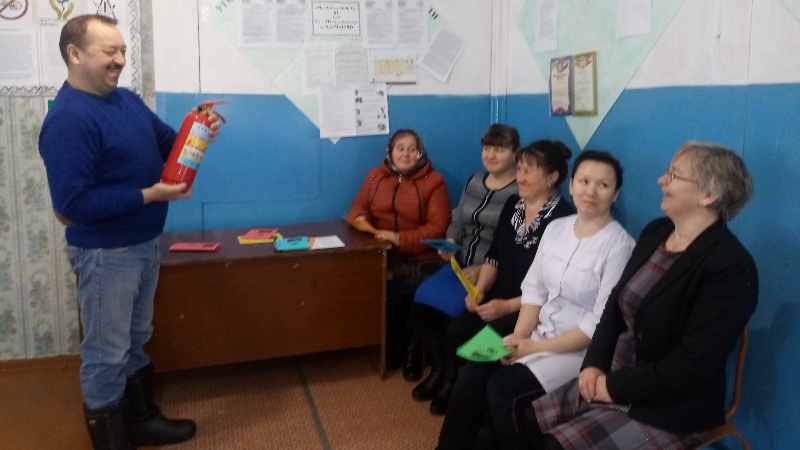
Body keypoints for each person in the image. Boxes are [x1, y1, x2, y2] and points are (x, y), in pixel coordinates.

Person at [38, 14, 221, 450]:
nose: (121, 59)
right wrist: (149, 195)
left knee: (136, 340)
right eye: (110, 51)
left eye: (122, 50)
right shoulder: (68, 119)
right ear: (74, 54)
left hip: (143, 244)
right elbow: (73, 205)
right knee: (106, 353)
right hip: (105, 255)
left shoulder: (126, 101)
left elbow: (169, 145)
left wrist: (200, 132)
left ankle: (141, 421)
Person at [525, 141, 758, 450]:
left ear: (708, 195)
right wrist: (593, 364)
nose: (662, 180)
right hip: (618, 373)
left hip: (671, 406)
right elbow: (614, 306)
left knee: (556, 445)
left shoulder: (730, 268)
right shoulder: (657, 231)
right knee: (527, 420)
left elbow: (690, 368)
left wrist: (612, 386)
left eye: (674, 175)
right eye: (667, 171)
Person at [436, 150, 635, 449]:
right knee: (474, 371)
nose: (591, 191)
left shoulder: (620, 246)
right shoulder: (557, 228)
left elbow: (599, 324)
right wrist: (519, 337)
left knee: (502, 388)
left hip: (577, 349)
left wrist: (533, 347)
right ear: (571, 185)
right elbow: (535, 289)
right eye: (584, 181)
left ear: (615, 193)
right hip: (535, 330)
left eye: (603, 185)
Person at [426, 140, 577, 416]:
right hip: (498, 293)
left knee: (484, 351)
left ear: (552, 177)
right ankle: (449, 382)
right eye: (519, 170)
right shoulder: (512, 204)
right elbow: (493, 255)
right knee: (457, 330)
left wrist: (507, 306)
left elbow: (553, 287)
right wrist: (480, 291)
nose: (520, 178)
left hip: (530, 308)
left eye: (528, 172)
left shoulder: (564, 219)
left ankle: (476, 404)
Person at [405, 124, 520, 412]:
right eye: (487, 148)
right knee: (422, 301)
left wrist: (482, 268)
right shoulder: (475, 180)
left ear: (515, 154)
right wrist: (451, 240)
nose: (490, 155)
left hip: (488, 274)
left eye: (499, 149)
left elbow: (511, 246)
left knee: (454, 320)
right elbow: (457, 219)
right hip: (459, 264)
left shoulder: (520, 191)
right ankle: (438, 369)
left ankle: (451, 379)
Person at [349, 128, 451, 369]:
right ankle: (394, 343)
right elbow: (358, 207)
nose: (406, 154)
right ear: (390, 152)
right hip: (384, 254)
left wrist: (398, 238)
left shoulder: (434, 181)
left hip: (423, 256)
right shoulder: (374, 176)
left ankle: (413, 347)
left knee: (413, 291)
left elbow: (438, 228)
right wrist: (362, 219)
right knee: (378, 289)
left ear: (420, 153)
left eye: (412, 149)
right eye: (400, 149)